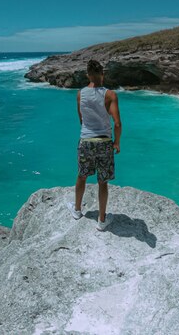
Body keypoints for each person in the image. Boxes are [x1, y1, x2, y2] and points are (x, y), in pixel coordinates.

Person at [67, 59, 122, 231]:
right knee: (102, 181)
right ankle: (102, 220)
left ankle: (77, 210)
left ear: (88, 75)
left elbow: (81, 119)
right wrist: (116, 142)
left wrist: (87, 133)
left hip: (86, 140)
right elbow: (117, 123)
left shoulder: (80, 94)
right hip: (104, 141)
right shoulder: (110, 95)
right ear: (102, 74)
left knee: (82, 175)